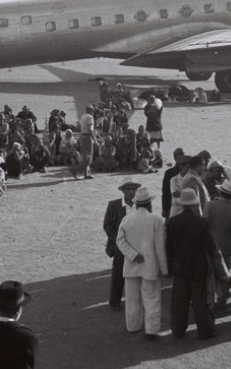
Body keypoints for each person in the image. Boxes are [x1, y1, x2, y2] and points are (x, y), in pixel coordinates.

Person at [166, 188, 227, 339]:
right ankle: (206, 331)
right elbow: (210, 245)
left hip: (180, 268)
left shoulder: (173, 222)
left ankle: (178, 331)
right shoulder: (201, 223)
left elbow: (168, 248)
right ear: (194, 204)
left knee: (179, 302)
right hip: (198, 268)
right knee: (200, 302)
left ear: (181, 204)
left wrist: (170, 267)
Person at [116, 187, 168, 340]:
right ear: (149, 204)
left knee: (132, 299)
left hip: (131, 266)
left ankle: (133, 326)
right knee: (152, 298)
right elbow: (160, 247)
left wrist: (132, 255)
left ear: (136, 204)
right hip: (150, 267)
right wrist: (164, 269)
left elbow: (120, 241)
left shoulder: (127, 219)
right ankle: (151, 330)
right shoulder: (156, 220)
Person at [203, 179, 231, 308]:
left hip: (210, 245)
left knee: (210, 273)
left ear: (220, 192)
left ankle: (210, 299)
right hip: (226, 246)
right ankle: (222, 299)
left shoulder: (209, 205)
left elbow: (203, 226)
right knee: (225, 274)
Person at [103, 178, 140, 311]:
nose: (131, 192)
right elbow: (107, 225)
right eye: (128, 189)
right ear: (123, 191)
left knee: (137, 274)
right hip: (120, 247)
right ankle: (115, 302)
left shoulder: (141, 205)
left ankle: (135, 301)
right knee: (118, 274)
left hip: (136, 246)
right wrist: (118, 240)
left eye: (133, 189)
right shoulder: (114, 205)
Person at [69, 105, 97, 180]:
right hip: (88, 137)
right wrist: (95, 139)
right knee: (88, 158)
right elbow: (90, 129)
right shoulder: (90, 117)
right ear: (91, 110)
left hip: (82, 136)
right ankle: (75, 169)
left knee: (85, 156)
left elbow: (79, 127)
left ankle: (86, 174)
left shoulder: (83, 116)